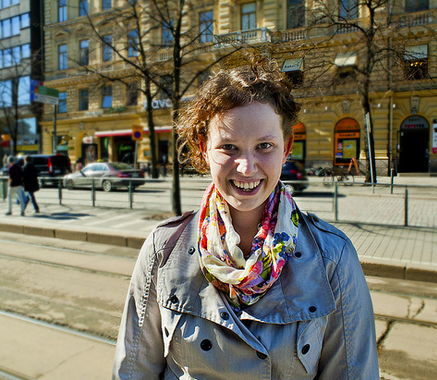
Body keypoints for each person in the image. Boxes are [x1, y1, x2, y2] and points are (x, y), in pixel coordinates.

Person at [112, 58, 379, 379]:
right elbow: (133, 370)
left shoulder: (332, 257)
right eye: (229, 147)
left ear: (286, 148)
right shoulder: (164, 248)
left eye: (264, 146)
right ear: (204, 148)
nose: (247, 167)